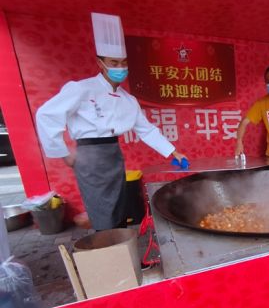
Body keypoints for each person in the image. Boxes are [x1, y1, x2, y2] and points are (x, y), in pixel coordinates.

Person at [36, 13, 186, 231]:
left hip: (113, 153)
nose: (120, 68)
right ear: (100, 63)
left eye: (123, 63)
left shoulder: (128, 100)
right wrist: (64, 153)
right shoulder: (81, 88)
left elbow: (147, 130)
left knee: (118, 207)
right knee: (102, 211)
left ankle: (119, 243)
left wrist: (173, 152)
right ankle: (107, 245)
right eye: (114, 63)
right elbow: (46, 115)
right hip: (90, 156)